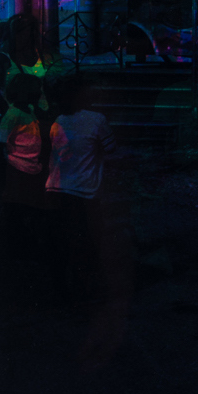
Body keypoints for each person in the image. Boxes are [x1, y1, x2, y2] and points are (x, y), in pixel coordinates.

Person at [45, 73, 117, 301]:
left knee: (63, 242)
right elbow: (111, 148)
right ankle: (84, 290)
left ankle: (62, 290)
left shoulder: (59, 120)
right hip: (84, 191)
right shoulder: (96, 120)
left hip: (56, 188)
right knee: (87, 240)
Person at [0, 71, 60, 301]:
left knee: (28, 206)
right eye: (36, 91)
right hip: (18, 167)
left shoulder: (28, 111)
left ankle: (25, 247)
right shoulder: (13, 114)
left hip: (31, 167)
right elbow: (1, 140)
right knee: (20, 207)